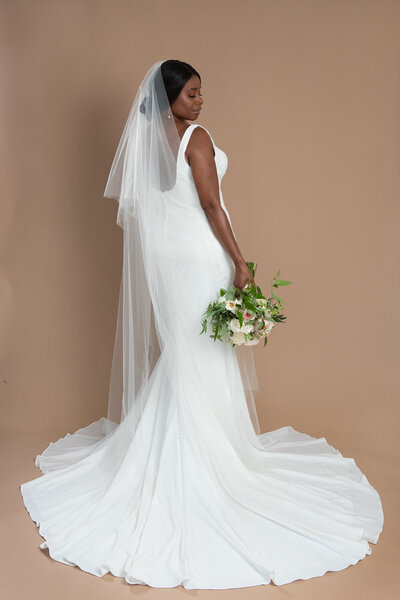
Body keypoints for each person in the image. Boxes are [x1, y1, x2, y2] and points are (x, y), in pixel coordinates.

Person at [20, 59, 384, 589]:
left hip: (169, 262)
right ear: (169, 98)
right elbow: (211, 204)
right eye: (191, 93)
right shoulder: (196, 137)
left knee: (186, 354)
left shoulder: (147, 141)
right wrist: (240, 262)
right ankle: (208, 464)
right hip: (200, 254)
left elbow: (148, 210)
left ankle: (168, 450)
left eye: (200, 93)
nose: (200, 101)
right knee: (202, 353)